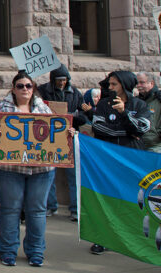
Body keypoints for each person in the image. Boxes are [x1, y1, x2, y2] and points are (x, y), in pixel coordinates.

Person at [0, 71, 57, 267]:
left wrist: (66, 133)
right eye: (20, 86)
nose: (25, 89)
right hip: (9, 169)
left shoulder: (44, 110)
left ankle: (36, 252)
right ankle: (8, 251)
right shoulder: (2, 108)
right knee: (10, 210)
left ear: (33, 89)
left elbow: (56, 134)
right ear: (13, 89)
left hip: (41, 171)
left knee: (37, 210)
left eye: (28, 86)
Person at [89, 71, 151, 255]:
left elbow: (143, 128)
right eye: (109, 84)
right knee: (107, 199)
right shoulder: (103, 104)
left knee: (132, 199)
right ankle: (102, 238)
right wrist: (125, 131)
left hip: (132, 158)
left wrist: (124, 114)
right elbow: (98, 127)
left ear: (124, 85)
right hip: (108, 159)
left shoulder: (139, 105)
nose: (110, 88)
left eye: (114, 84)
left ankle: (133, 239)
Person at [38, 65, 85, 221]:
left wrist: (69, 117)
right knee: (48, 174)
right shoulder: (43, 91)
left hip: (67, 137)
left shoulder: (75, 94)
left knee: (73, 176)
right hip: (48, 138)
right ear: (53, 80)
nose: (61, 83)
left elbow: (84, 115)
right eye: (58, 80)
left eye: (64, 80)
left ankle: (75, 209)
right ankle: (50, 206)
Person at [136, 72, 161, 152]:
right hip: (138, 146)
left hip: (156, 147)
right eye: (137, 83)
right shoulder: (135, 101)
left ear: (152, 83)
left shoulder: (159, 100)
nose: (139, 85)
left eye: (142, 82)